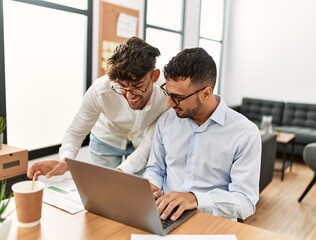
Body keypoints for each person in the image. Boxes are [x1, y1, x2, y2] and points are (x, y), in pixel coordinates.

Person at [142, 47, 262, 222]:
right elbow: (155, 168)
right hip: (164, 216)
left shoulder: (245, 133)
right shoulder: (167, 121)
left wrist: (195, 199)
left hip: (212, 221)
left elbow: (245, 201)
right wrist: (151, 185)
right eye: (167, 93)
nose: (169, 103)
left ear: (206, 93)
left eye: (178, 97)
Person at [28, 36, 168, 180]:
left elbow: (148, 144)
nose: (130, 95)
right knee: (102, 190)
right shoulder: (100, 90)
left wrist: (120, 172)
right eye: (123, 87)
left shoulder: (166, 93)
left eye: (137, 86)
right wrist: (66, 160)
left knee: (139, 191)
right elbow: (76, 131)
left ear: (154, 76)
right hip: (106, 138)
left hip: (142, 141)